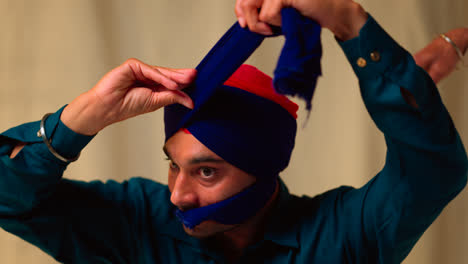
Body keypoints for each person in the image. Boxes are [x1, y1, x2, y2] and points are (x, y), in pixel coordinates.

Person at [1, 0, 467, 263]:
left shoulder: (345, 233)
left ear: (262, 166)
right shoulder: (137, 221)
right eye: (172, 164)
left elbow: (432, 172)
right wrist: (83, 117)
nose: (178, 195)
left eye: (206, 171)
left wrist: (346, 22)